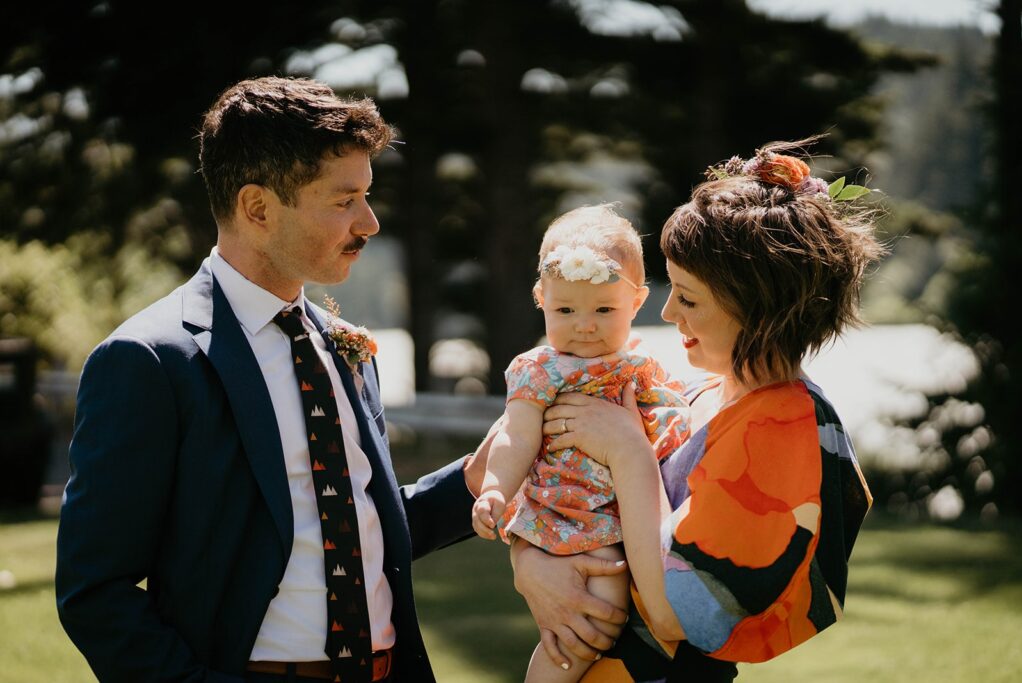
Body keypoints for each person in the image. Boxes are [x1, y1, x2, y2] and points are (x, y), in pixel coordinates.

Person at [55, 76, 492, 683]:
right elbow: (95, 591)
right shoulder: (149, 361)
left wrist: (471, 481)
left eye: (367, 197)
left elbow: (351, 531)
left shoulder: (344, 346)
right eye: (344, 201)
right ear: (258, 207)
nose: (369, 223)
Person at [512, 141, 880, 681]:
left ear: (755, 308)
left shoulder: (784, 430)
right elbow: (553, 473)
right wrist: (530, 563)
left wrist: (626, 449)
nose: (665, 312)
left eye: (688, 298)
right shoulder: (697, 391)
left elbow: (673, 613)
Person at [471, 206, 691, 682]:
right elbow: (516, 434)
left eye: (604, 310)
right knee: (588, 625)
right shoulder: (541, 370)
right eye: (565, 310)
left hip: (633, 515)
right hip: (568, 517)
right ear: (540, 298)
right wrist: (494, 489)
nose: (584, 326)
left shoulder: (643, 368)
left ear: (637, 303)